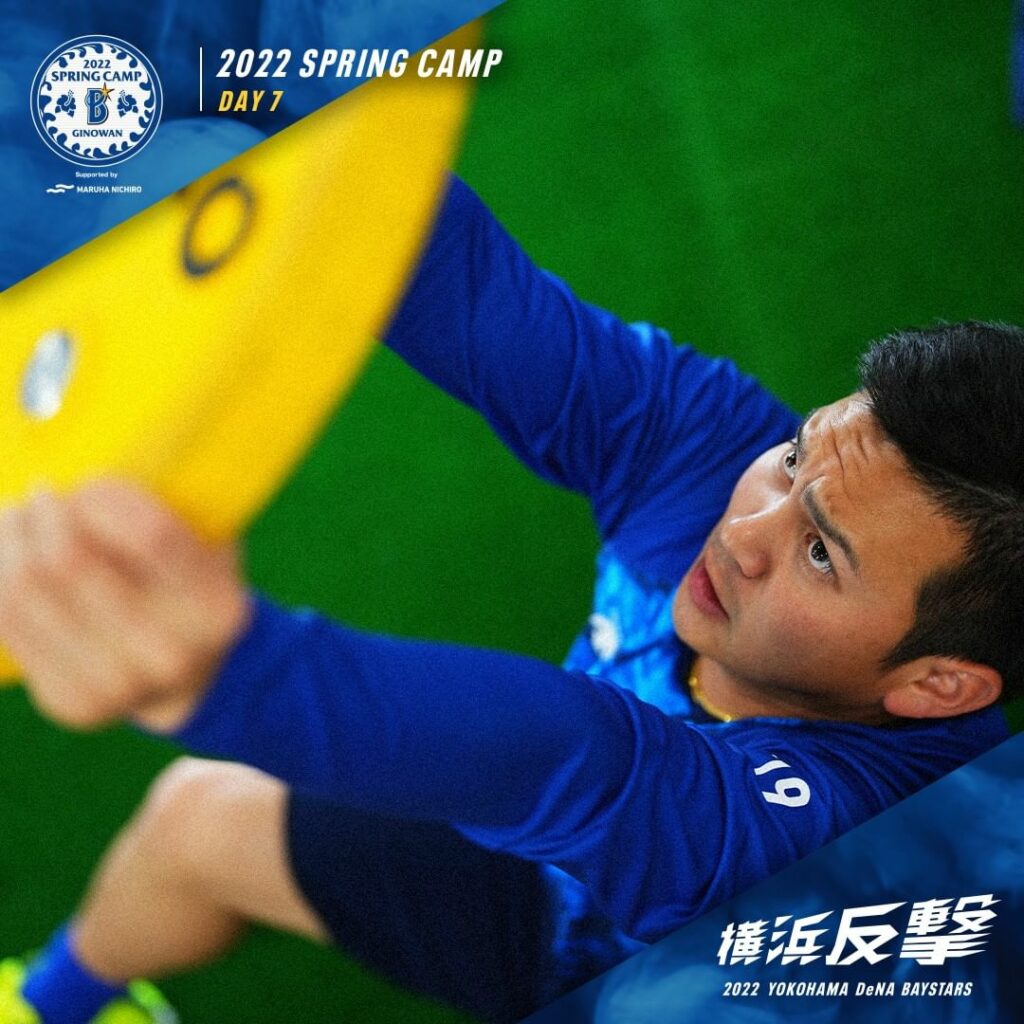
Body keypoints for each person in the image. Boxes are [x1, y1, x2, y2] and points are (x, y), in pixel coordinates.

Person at [0, 176, 1019, 1024]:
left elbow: (590, 765)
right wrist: (302, 129)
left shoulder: (855, 838)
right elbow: (460, 282)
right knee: (196, 821)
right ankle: (47, 1005)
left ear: (938, 685)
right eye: (794, 457)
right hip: (559, 886)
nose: (743, 529)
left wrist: (237, 673)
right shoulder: (719, 457)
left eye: (820, 553)